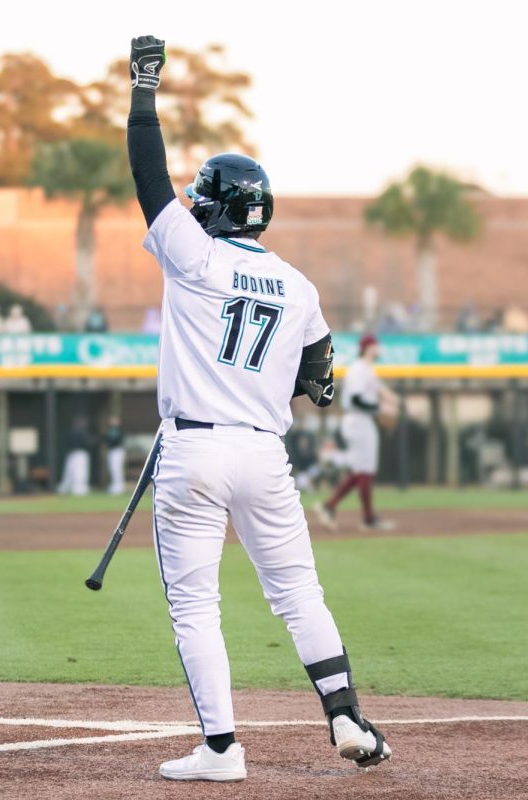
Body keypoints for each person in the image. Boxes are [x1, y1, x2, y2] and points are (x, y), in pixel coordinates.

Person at [125, 36, 390, 783]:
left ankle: (221, 751)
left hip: (195, 450)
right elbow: (322, 368)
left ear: (210, 206)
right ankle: (345, 714)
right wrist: (316, 383)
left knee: (196, 607)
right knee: (298, 592)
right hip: (265, 455)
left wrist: (144, 86)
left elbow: (150, 173)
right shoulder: (300, 287)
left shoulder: (193, 254)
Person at [315, 334, 398, 532]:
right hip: (357, 420)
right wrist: (381, 408)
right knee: (364, 470)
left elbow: (383, 391)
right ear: (368, 347)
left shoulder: (367, 370)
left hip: (362, 421)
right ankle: (367, 519)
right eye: (376, 344)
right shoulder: (359, 370)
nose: (379, 348)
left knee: (360, 470)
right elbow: (356, 400)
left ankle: (329, 507)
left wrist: (392, 401)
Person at [56, 416, 91, 496]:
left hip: (78, 453)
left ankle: (77, 488)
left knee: (77, 472)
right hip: (75, 453)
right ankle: (71, 488)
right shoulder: (75, 432)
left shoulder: (80, 432)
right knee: (73, 472)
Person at [103, 415, 126, 495]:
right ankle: (114, 485)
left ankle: (119, 486)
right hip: (111, 451)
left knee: (117, 469)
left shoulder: (120, 430)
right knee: (112, 469)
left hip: (118, 451)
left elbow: (116, 440)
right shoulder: (109, 430)